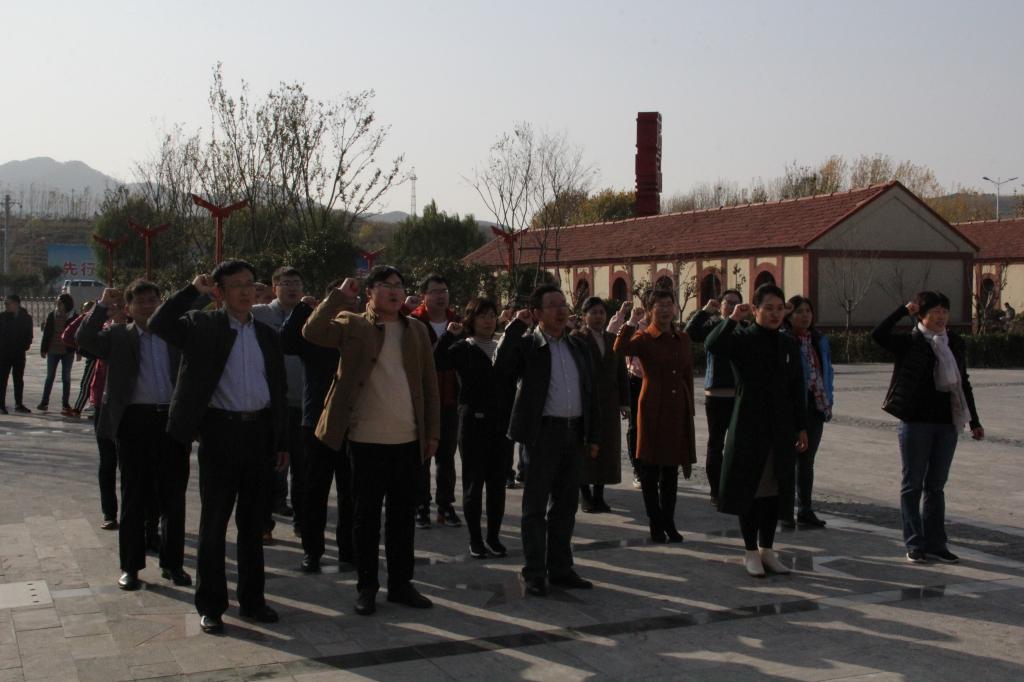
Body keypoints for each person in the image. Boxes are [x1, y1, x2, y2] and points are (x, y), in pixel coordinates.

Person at [150, 260, 289, 634]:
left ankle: (253, 601)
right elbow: (160, 323)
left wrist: (282, 441)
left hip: (259, 434)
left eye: (250, 283)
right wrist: (192, 292)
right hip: (220, 433)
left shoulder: (266, 334)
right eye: (237, 285)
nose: (246, 291)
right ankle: (211, 605)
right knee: (214, 524)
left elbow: (278, 389)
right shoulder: (203, 325)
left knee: (253, 524)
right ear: (220, 291)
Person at [302, 266, 439, 617]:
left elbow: (429, 384)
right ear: (370, 292)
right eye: (386, 286)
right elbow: (312, 332)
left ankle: (401, 584)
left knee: (402, 518)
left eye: (399, 285)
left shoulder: (416, 330)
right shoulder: (352, 323)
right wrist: (338, 295)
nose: (394, 291)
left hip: (407, 438)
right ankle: (367, 587)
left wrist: (432, 433)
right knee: (365, 517)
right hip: (365, 439)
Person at [78, 281, 192, 591]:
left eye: (153, 300)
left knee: (173, 498)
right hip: (134, 422)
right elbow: (84, 339)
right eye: (140, 301)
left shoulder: (174, 335)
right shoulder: (118, 336)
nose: (147, 306)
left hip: (171, 421)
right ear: (128, 308)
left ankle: (173, 564)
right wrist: (102, 305)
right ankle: (130, 567)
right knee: (133, 497)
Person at [495, 284, 600, 597]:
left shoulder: (578, 345)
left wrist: (593, 435)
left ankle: (561, 568)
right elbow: (502, 368)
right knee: (535, 507)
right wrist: (516, 326)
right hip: (542, 434)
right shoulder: (528, 345)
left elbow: (590, 391)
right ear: (537, 313)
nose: (560, 310)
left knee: (566, 506)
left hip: (574, 432)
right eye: (552, 305)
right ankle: (535, 572)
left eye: (563, 304)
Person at [872, 291, 984, 565]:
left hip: (947, 422)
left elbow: (963, 382)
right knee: (912, 484)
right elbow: (878, 334)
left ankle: (936, 544)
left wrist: (974, 420)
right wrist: (902, 311)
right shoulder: (911, 342)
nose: (941, 316)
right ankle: (914, 543)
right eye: (935, 311)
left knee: (936, 486)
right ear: (922, 314)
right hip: (915, 421)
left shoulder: (954, 342)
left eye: (944, 311)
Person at [705, 284, 808, 578]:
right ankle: (750, 550)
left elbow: (796, 387)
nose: (775, 314)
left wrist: (801, 426)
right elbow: (712, 344)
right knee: (750, 489)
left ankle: (767, 549)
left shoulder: (788, 343)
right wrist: (732, 319)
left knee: (774, 490)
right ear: (755, 309)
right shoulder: (743, 338)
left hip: (781, 427)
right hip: (750, 425)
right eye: (768, 308)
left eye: (779, 308)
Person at [282, 279, 356, 573]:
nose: (349, 306)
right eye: (342, 300)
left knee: (351, 493)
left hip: (352, 423)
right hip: (316, 422)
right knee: (314, 492)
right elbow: (286, 341)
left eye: (353, 301)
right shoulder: (313, 337)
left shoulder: (359, 335)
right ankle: (312, 552)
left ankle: (349, 551)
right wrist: (302, 309)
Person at [614, 290, 696, 543]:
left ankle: (669, 521)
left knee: (671, 468)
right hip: (652, 405)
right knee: (650, 467)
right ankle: (655, 521)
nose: (665, 309)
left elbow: (687, 373)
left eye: (669, 304)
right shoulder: (644, 337)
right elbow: (619, 349)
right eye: (660, 305)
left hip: (677, 406)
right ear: (650, 310)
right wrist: (630, 322)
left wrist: (689, 409)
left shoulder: (682, 338)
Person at [437, 297, 516, 558]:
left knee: (497, 485)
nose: (488, 320)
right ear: (471, 319)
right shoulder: (463, 347)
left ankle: (493, 537)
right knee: (474, 484)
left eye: (492, 315)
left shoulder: (502, 347)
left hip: (501, 426)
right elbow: (437, 361)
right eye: (482, 315)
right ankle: (475, 539)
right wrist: (449, 336)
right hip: (473, 424)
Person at [252, 266, 308, 540]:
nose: (292, 287)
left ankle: (302, 521)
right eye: (286, 283)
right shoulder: (259, 314)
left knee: (303, 469)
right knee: (269, 468)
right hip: (270, 405)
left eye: (296, 282)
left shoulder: (309, 316)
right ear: (274, 288)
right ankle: (264, 525)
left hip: (301, 403)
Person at [408, 273, 461, 529]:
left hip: (451, 399)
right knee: (422, 455)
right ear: (423, 296)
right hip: (422, 401)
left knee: (447, 455)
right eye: (435, 291)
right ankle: (420, 504)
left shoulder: (457, 322)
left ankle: (445, 504)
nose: (441, 296)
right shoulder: (412, 323)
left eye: (444, 291)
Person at [684, 288, 744, 506]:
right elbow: (689, 333)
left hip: (739, 394)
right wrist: (704, 311)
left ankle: (735, 486)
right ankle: (716, 490)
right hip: (716, 392)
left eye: (736, 302)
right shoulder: (712, 325)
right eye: (728, 302)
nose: (732, 305)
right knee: (716, 443)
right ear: (721, 305)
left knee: (738, 444)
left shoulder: (744, 328)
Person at [781, 296, 834, 529]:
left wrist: (828, 399)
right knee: (788, 460)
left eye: (808, 311)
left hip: (815, 406)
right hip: (792, 407)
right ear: (789, 316)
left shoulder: (818, 340)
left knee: (807, 461)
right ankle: (784, 510)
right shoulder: (783, 340)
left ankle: (805, 509)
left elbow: (827, 370)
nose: (805, 316)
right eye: (799, 311)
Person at [572, 296, 629, 514]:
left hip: (609, 403)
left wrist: (625, 402)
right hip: (585, 403)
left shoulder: (612, 339)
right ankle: (585, 495)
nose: (598, 317)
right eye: (593, 312)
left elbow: (621, 372)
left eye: (602, 312)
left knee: (606, 449)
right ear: (584, 316)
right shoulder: (577, 339)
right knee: (585, 449)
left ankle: (599, 495)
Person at [607, 303, 646, 489]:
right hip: (635, 380)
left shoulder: (662, 326)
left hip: (655, 382)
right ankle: (638, 469)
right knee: (635, 426)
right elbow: (610, 334)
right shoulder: (634, 324)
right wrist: (624, 314)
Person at [38, 293, 77, 414]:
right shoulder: (52, 315)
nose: (58, 305)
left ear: (66, 304)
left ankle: (65, 404)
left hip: (67, 351)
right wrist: (43, 349)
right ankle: (44, 402)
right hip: (53, 350)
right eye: (57, 303)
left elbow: (77, 335)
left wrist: (79, 351)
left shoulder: (74, 317)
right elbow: (47, 333)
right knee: (50, 376)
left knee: (66, 377)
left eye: (60, 303)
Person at [59, 300, 95, 418]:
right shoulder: (89, 319)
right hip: (92, 354)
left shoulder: (92, 319)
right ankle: (85, 408)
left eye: (86, 308)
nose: (84, 311)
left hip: (95, 356)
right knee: (88, 383)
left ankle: (78, 409)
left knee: (86, 383)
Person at [0, 294, 34, 415]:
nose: (6, 306)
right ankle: (1, 404)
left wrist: (25, 346)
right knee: (2, 379)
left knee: (18, 379)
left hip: (19, 353)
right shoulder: (2, 317)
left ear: (16, 304)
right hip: (4, 353)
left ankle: (19, 404)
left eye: (8, 303)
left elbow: (29, 335)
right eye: (5, 303)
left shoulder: (26, 318)